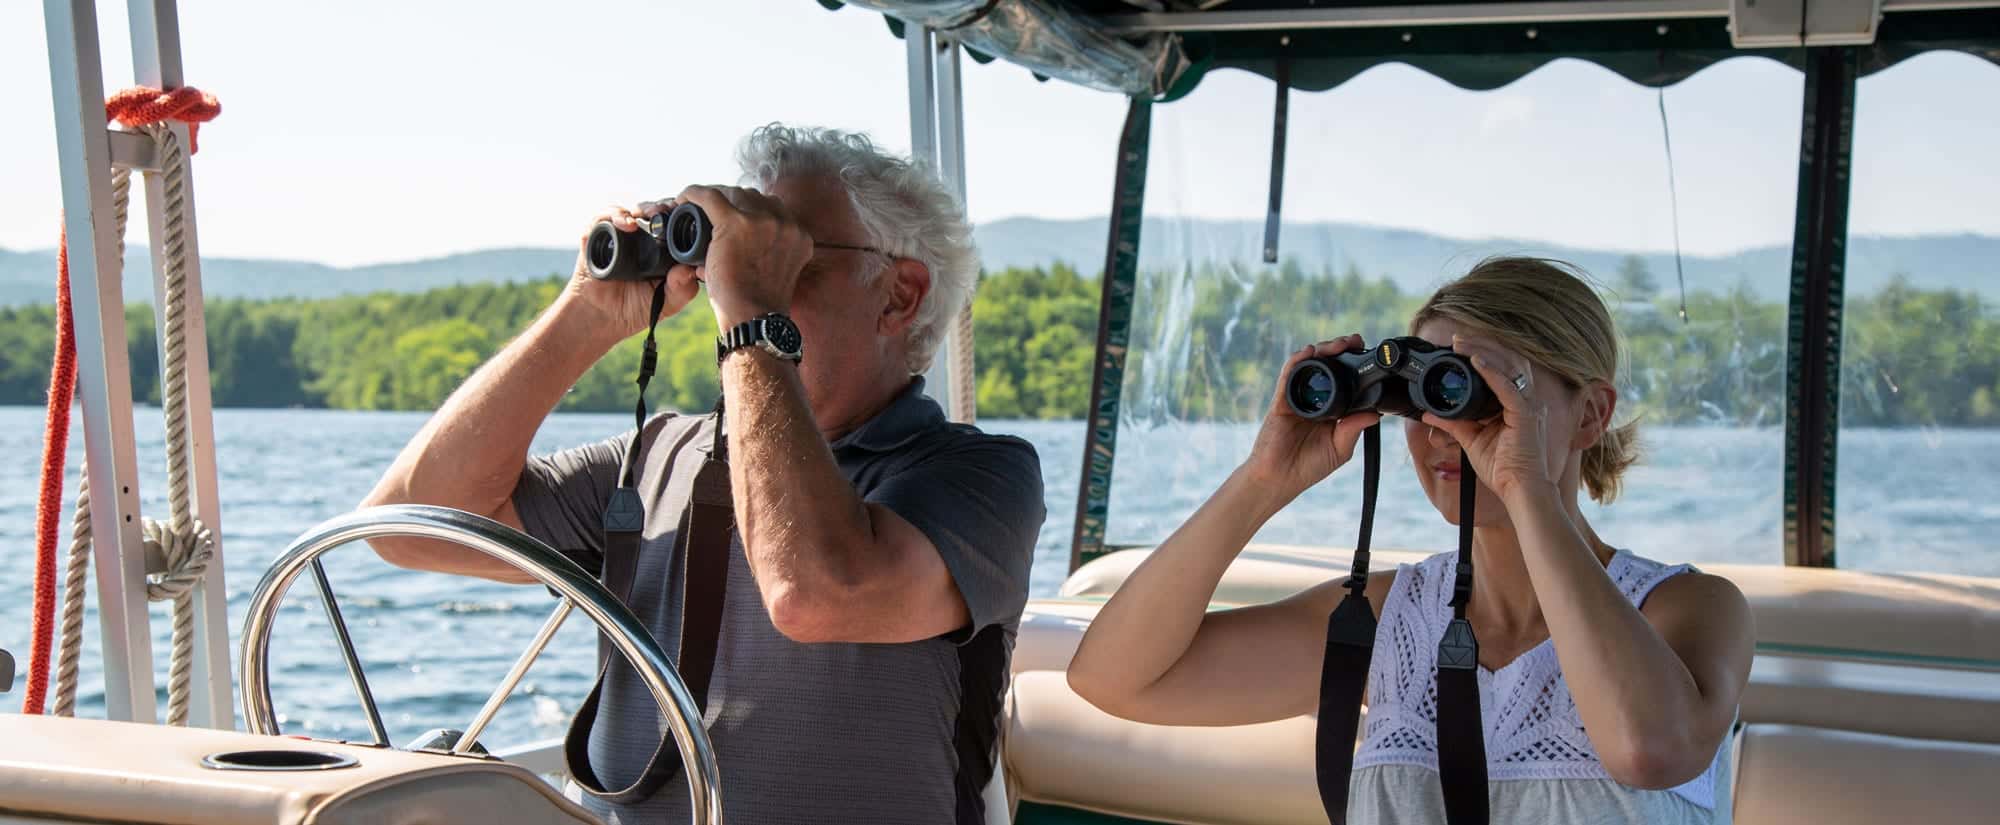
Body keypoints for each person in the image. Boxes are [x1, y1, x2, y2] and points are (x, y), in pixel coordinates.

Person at [362, 124, 1046, 825]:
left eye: (789, 258)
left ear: (899, 295)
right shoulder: (659, 456)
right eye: (742, 257)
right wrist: (587, 314)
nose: (741, 276)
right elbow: (411, 525)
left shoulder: (979, 478)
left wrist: (751, 311)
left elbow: (812, 591)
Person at [1066, 257, 1753, 824]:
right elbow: (1114, 679)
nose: (1443, 430)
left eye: (1477, 394)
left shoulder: (1688, 610)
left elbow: (1646, 749)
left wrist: (1524, 484)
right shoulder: (1390, 619)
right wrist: (1263, 478)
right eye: (1424, 399)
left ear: (1590, 414)